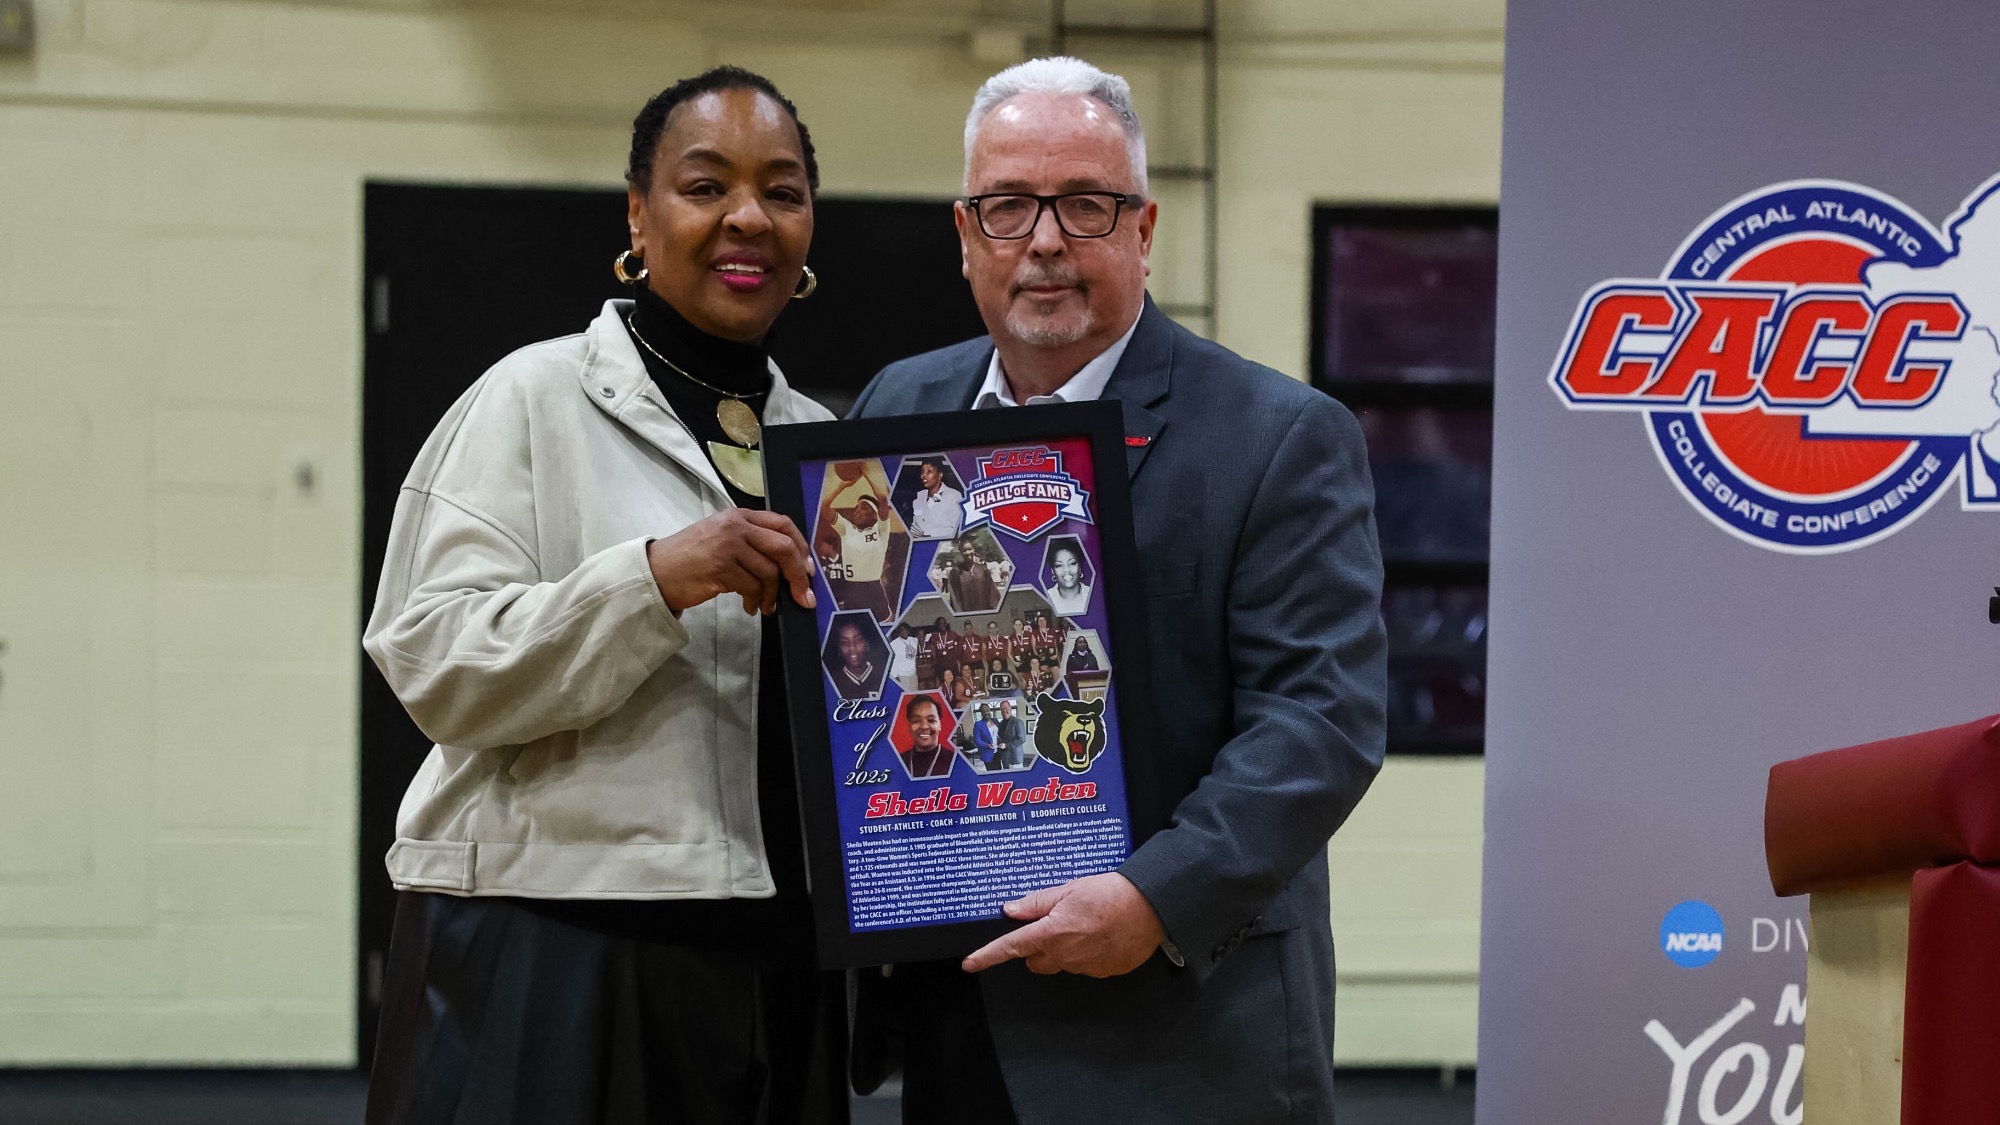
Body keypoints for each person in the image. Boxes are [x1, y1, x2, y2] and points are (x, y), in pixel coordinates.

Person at [847, 56, 1385, 1125]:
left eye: (1082, 204)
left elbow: (1319, 722)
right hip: (954, 1015)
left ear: (1140, 232)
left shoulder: (1277, 437)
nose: (1042, 240)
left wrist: (1153, 898)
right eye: (1007, 207)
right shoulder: (895, 406)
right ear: (965, 236)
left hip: (1182, 1035)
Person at [361, 68, 849, 1125]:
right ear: (638, 211)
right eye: (705, 185)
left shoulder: (829, 450)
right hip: (554, 949)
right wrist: (654, 579)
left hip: (774, 962)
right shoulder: (529, 398)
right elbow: (434, 662)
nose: (748, 218)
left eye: (783, 190)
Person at [815, 482, 897, 620]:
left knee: (882, 631)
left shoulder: (881, 529)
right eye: (856, 507)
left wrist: (867, 475)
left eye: (864, 507)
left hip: (874, 590)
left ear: (874, 515)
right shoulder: (846, 529)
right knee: (855, 633)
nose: (857, 510)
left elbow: (882, 500)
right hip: (851, 591)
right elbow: (824, 507)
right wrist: (842, 484)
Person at [930, 533, 1007, 613]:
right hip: (965, 611)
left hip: (984, 609)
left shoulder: (983, 569)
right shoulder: (955, 571)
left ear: (974, 550)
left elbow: (992, 592)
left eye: (970, 549)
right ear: (961, 552)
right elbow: (953, 595)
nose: (968, 552)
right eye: (964, 550)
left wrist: (993, 609)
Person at [828, 616, 887, 700]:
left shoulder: (884, 675)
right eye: (844, 642)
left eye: (858, 640)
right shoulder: (832, 682)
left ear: (867, 644)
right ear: (839, 649)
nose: (852, 647)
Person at [907, 456, 966, 539]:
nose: (923, 475)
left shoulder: (953, 496)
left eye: (929, 472)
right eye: (922, 472)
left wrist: (927, 534)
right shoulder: (919, 497)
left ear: (940, 475)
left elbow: (956, 529)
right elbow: (914, 527)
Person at [899, 695, 954, 779]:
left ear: (940, 725)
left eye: (931, 720)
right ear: (910, 725)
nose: (924, 726)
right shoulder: (898, 761)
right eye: (916, 721)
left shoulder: (955, 760)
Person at [1044, 539, 1093, 616]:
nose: (1066, 570)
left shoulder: (1093, 594)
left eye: (1072, 563)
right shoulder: (1045, 597)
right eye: (1059, 565)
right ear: (1053, 571)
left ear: (1080, 567)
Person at [993, 699, 1028, 772]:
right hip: (1004, 759)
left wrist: (1006, 745)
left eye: (1006, 708)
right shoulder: (1001, 723)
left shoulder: (1018, 722)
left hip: (1015, 758)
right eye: (1002, 709)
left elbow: (1021, 739)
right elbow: (1001, 738)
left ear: (1010, 708)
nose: (1004, 711)